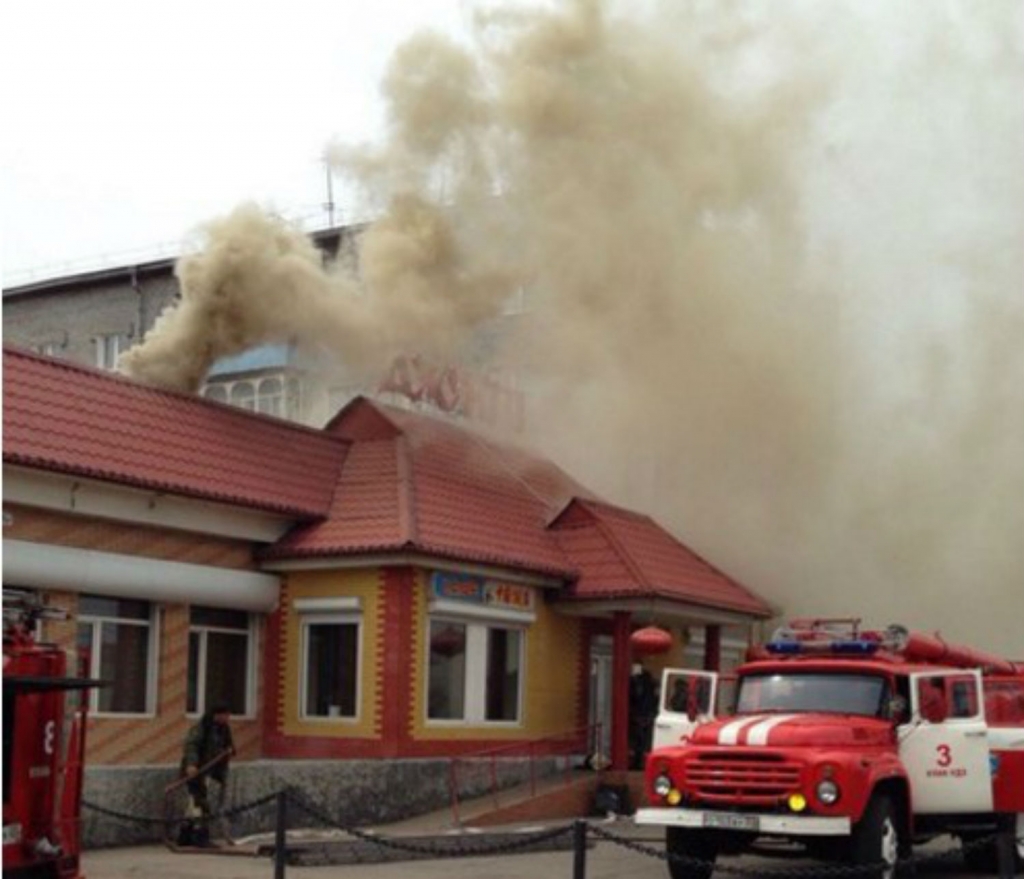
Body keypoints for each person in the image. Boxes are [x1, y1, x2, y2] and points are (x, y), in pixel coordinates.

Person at [177, 705, 235, 847]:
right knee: (200, 803)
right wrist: (191, 765)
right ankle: (200, 836)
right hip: (196, 771)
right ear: (217, 715)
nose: (228, 718)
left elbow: (229, 746)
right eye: (225, 715)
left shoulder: (224, 729)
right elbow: (191, 746)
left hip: (208, 771)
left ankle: (185, 836)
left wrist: (230, 751)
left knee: (193, 804)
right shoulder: (202, 728)